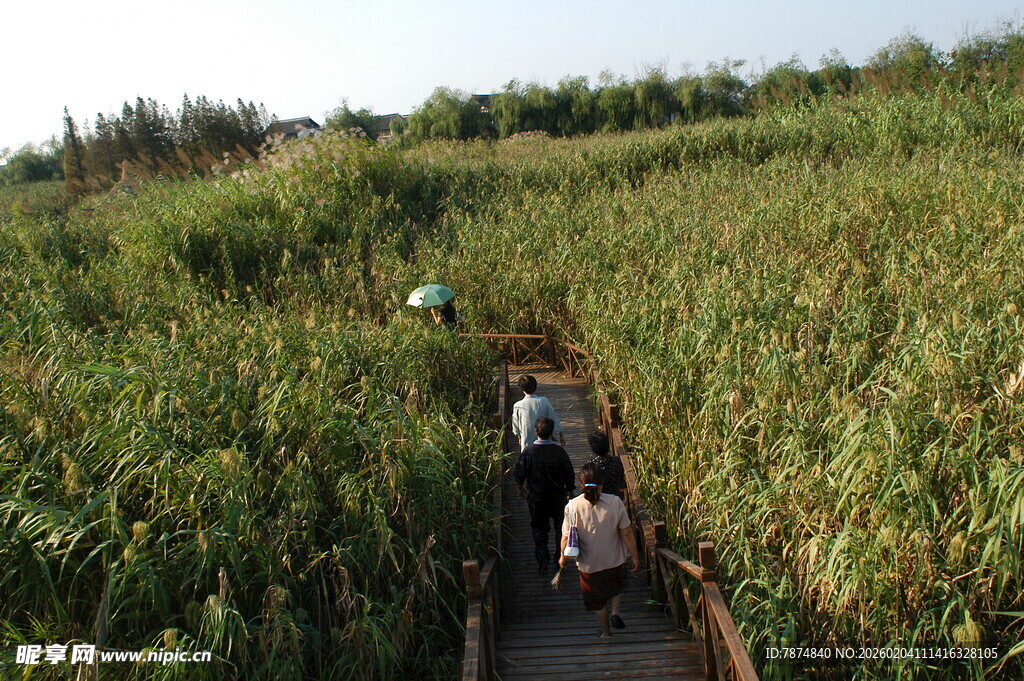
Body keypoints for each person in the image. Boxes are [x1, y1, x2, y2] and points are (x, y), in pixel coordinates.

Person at [559, 462, 640, 638]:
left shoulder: (572, 506)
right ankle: (616, 612)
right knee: (616, 587)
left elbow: (566, 537)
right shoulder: (615, 502)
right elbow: (626, 531)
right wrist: (634, 555)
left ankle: (606, 633)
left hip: (589, 564)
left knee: (598, 602)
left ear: (581, 484)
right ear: (602, 483)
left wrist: (562, 558)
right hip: (615, 559)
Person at [513, 417, 575, 575]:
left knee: (539, 529)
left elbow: (519, 472)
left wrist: (520, 487)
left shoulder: (528, 452)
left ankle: (542, 561)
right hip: (557, 496)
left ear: (536, 432)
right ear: (551, 432)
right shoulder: (559, 451)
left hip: (537, 497)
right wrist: (570, 490)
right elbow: (569, 473)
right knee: (560, 528)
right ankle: (559, 557)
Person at [511, 375, 564, 450]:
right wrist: (561, 435)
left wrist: (519, 436)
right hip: (544, 442)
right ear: (535, 386)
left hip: (527, 444)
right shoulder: (544, 401)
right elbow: (554, 418)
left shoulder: (518, 405)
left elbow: (515, 425)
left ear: (522, 389)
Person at [585, 431, 626, 500]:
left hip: (599, 499)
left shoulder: (591, 465)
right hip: (615, 497)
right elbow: (621, 477)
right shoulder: (616, 460)